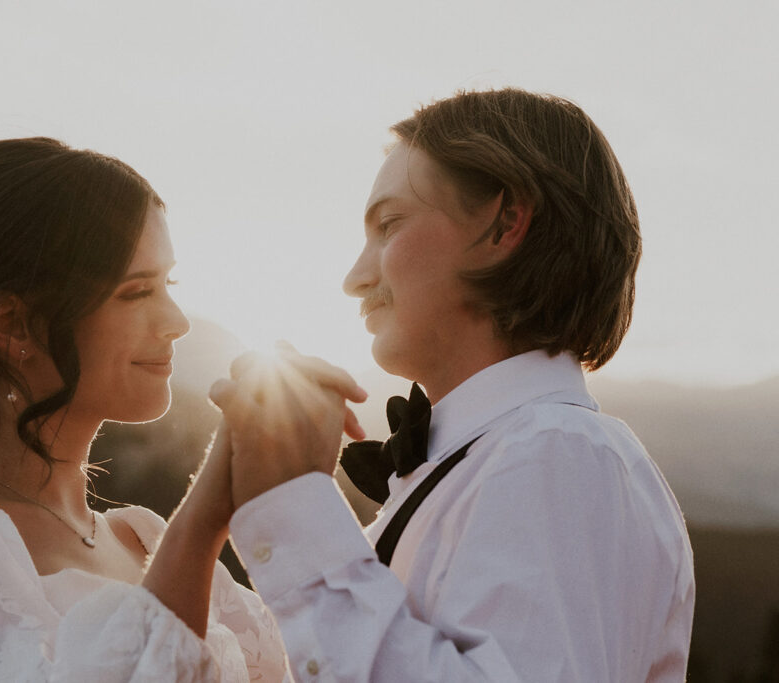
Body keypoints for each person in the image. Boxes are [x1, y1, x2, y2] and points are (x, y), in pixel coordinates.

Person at [210, 89, 695, 681]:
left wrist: (299, 503)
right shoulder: (499, 459)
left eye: (389, 225)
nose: (354, 279)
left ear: (504, 223)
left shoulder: (560, 453)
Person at [0, 137, 290, 681]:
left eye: (169, 283)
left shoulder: (141, 536)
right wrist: (205, 515)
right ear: (12, 324)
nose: (177, 321)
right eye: (137, 291)